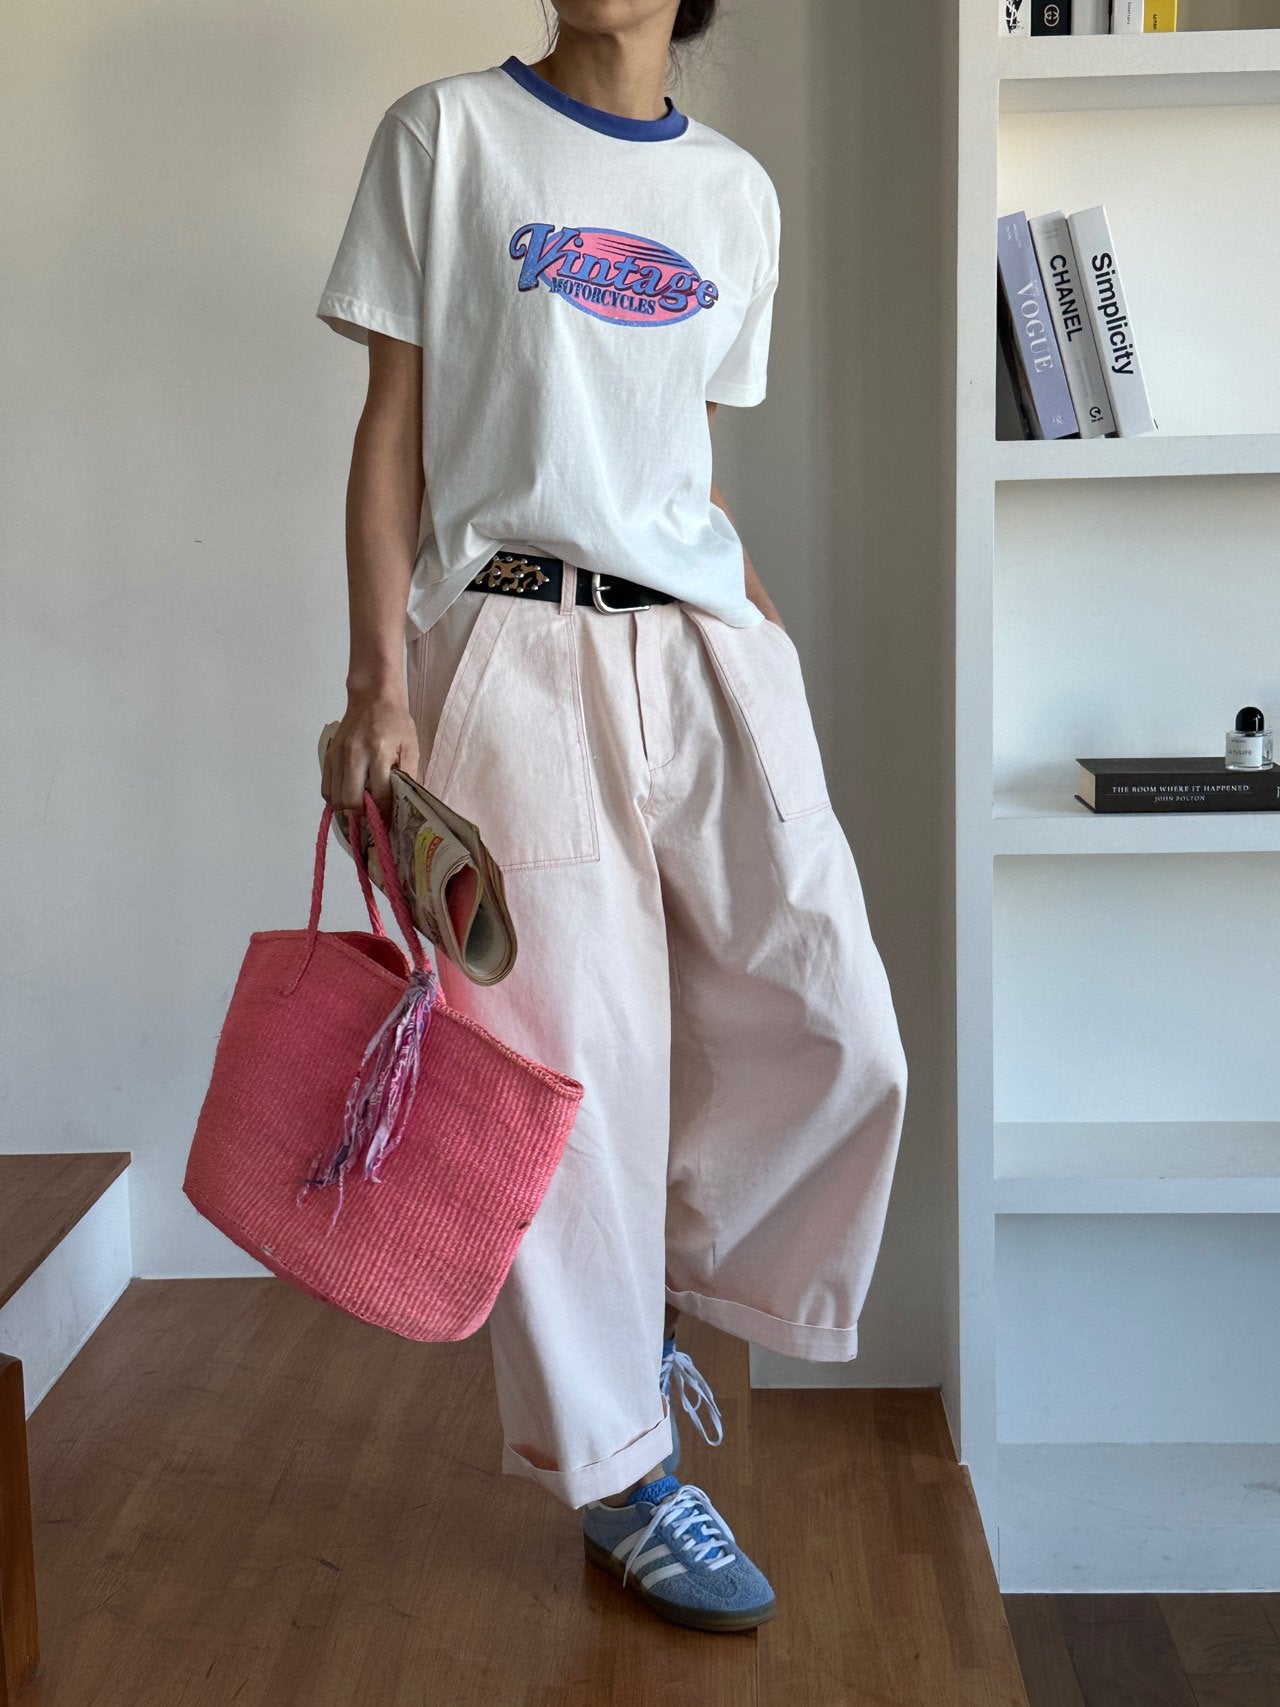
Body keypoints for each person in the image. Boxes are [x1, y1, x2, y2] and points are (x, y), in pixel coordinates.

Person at [315, 0, 908, 1635]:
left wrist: (758, 636)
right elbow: (391, 433)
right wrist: (379, 686)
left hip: (704, 640)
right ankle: (624, 1475)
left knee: (839, 1024)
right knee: (570, 1074)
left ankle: (643, 1308)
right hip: (514, 639)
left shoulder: (733, 193)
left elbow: (681, 461)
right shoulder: (449, 136)